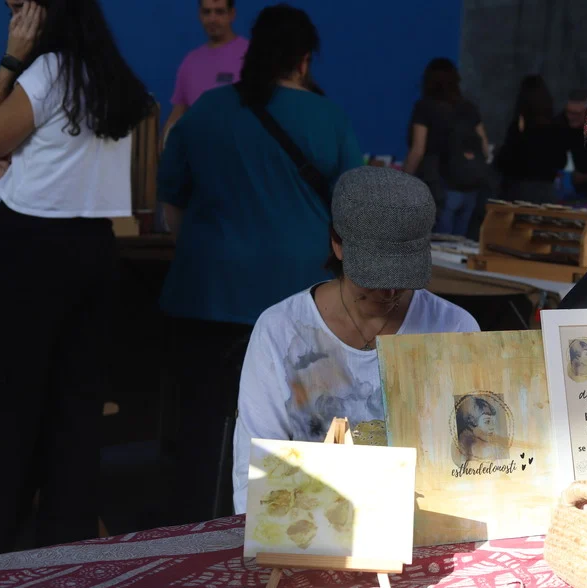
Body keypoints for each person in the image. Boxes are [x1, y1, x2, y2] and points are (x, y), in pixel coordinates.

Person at [0, 0, 152, 560]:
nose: (14, 16)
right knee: (75, 409)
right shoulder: (111, 78)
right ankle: (64, 557)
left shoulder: (46, 71)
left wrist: (10, 60)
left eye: (20, 7)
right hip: (95, 250)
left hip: (28, 247)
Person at [158, 4, 362, 523]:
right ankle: (296, 533)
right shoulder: (329, 118)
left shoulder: (206, 110)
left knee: (201, 430)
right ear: (304, 59)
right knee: (303, 434)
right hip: (304, 302)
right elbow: (355, 214)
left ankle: (193, 531)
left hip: (207, 297)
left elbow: (171, 204)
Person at [232, 166, 479, 513]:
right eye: (373, 277)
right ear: (337, 244)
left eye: (403, 276)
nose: (389, 291)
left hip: (427, 521)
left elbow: (475, 464)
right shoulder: (281, 330)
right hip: (309, 523)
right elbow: (254, 471)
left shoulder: (454, 328)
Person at [403, 58, 490, 236]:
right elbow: (485, 149)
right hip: (470, 189)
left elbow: (418, 150)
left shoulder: (425, 107)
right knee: (461, 247)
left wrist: (402, 180)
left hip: (440, 186)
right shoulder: (469, 108)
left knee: (439, 245)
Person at [162, 0, 248, 145]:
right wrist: (164, 147)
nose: (212, 19)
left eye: (219, 12)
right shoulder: (190, 61)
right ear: (199, 15)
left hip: (238, 150)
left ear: (232, 14)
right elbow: (177, 114)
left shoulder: (250, 55)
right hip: (196, 152)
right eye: (207, 12)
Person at [496, 75, 569, 204]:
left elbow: (505, 162)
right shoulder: (555, 127)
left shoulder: (519, 128)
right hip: (546, 192)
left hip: (518, 192)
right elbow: (561, 161)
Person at [557, 89, 587, 201]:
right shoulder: (561, 124)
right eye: (569, 112)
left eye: (577, 113)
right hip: (569, 189)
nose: (571, 117)